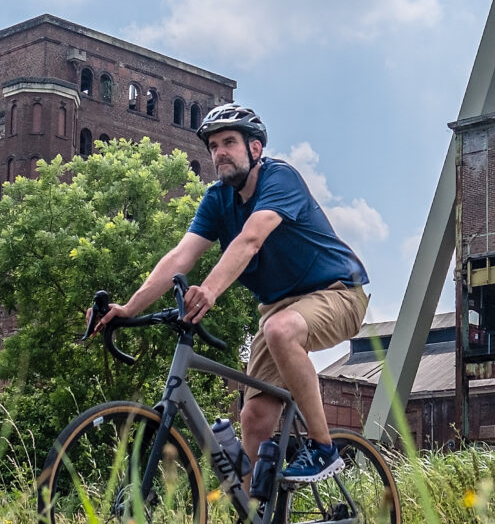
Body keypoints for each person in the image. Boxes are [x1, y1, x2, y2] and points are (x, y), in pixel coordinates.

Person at [92, 103, 369, 483]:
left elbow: (251, 239)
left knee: (279, 330)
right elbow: (180, 255)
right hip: (279, 308)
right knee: (253, 420)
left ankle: (323, 449)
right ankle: (259, 510)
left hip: (338, 294)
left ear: (255, 149)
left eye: (229, 142)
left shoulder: (279, 179)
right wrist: (129, 307)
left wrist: (208, 291)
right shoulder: (216, 199)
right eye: (213, 146)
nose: (220, 152)